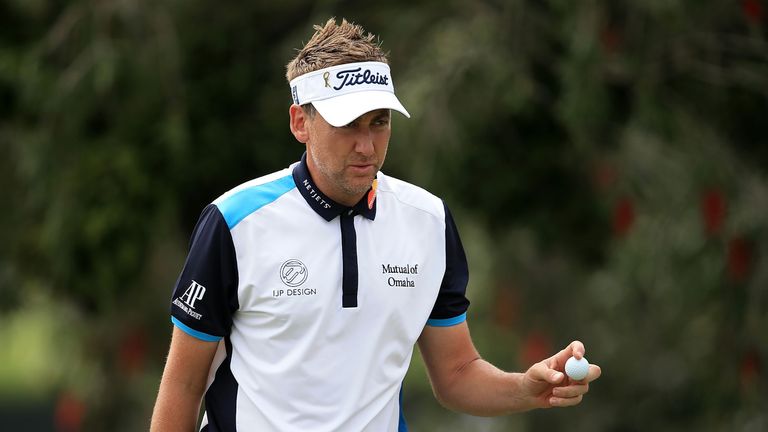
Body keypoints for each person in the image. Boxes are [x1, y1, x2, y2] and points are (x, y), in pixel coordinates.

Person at [150, 18, 601, 432]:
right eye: (347, 124)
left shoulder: (428, 221)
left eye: (379, 122)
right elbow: (184, 386)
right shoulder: (233, 222)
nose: (367, 145)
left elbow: (457, 374)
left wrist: (526, 388)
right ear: (299, 122)